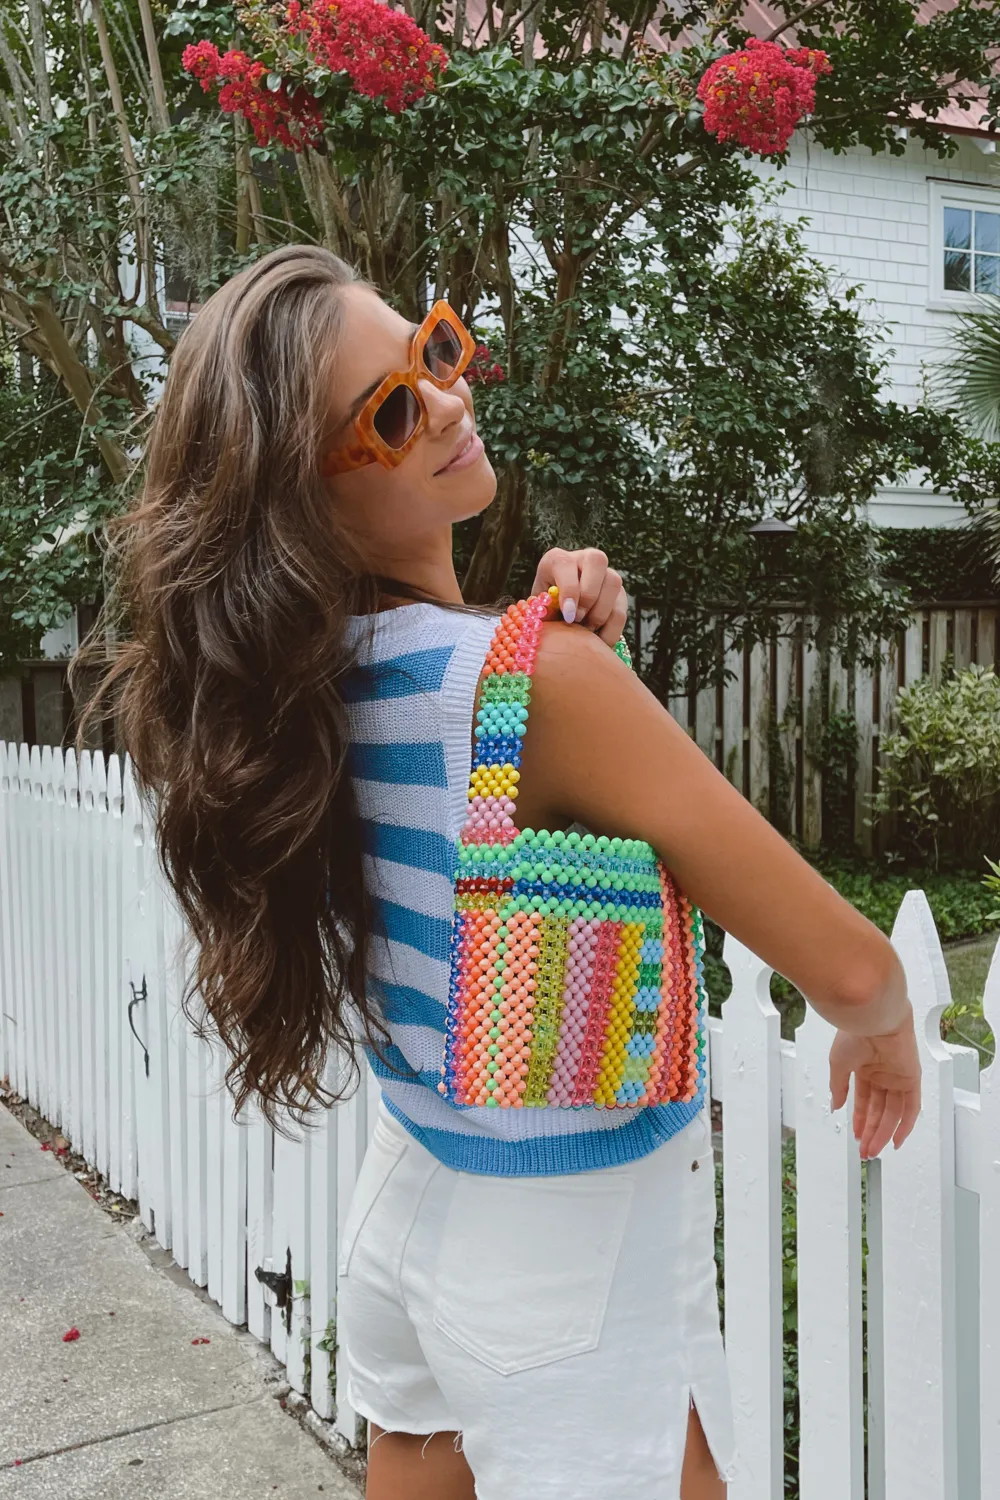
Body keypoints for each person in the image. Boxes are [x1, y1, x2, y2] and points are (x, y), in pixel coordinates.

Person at [75, 244, 921, 1500]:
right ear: (302, 494)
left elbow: (478, 733)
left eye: (432, 350)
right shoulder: (532, 689)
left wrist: (552, 634)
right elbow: (846, 961)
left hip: (410, 1211)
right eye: (394, 411)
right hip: (567, 1267)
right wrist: (887, 1021)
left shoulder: (304, 697)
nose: (450, 399)